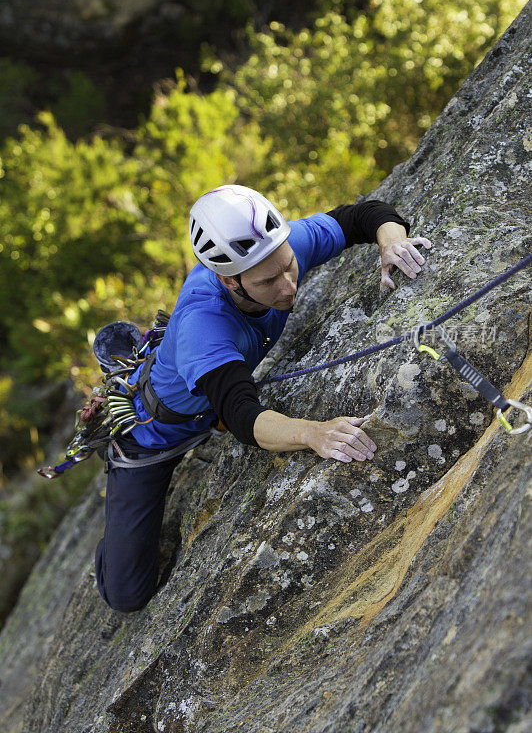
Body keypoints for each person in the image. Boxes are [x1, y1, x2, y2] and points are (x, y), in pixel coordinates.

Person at [95, 185, 431, 612]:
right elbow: (241, 415)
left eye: (289, 266)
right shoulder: (206, 325)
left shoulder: (277, 251)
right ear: (227, 280)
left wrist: (392, 242)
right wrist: (314, 433)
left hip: (209, 394)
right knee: (126, 595)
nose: (288, 285)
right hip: (152, 436)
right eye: (268, 282)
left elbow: (362, 216)